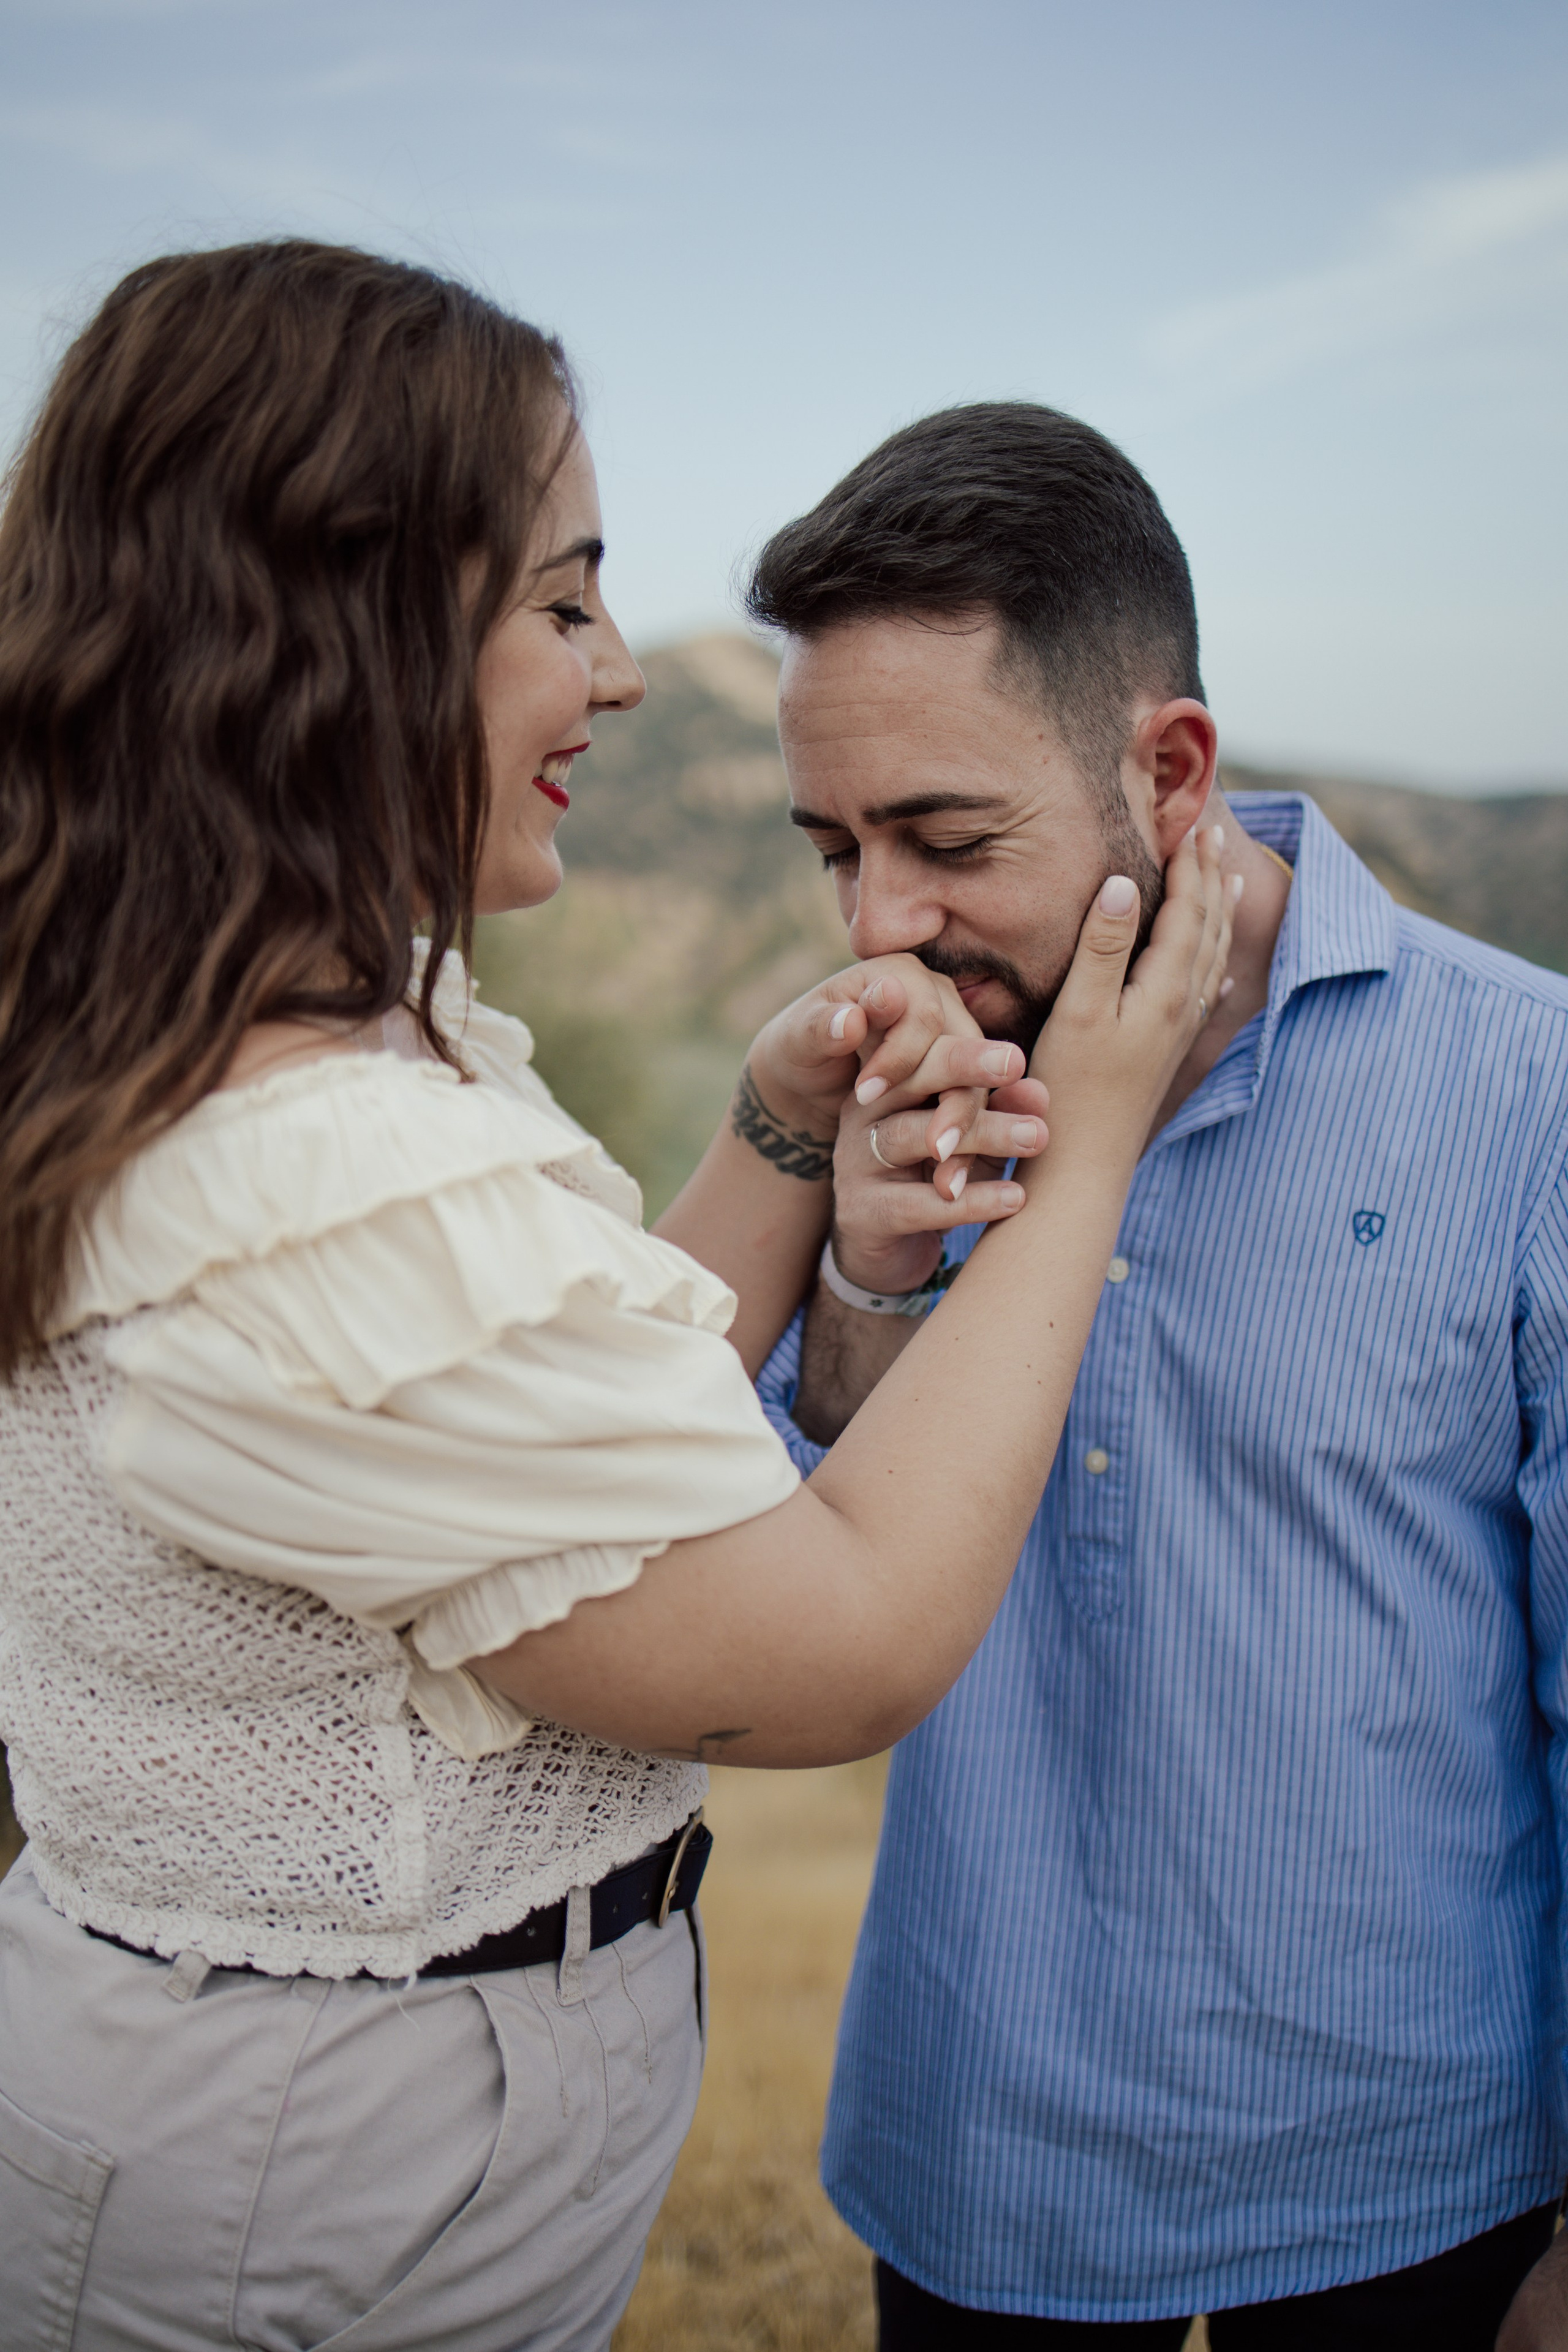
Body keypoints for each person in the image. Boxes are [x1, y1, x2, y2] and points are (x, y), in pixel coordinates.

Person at [0, 249, 1228, 2352]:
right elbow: (831, 1649)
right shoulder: (316, 1163)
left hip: (309, 2135)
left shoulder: (261, 1053)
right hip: (315, 2185)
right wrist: (1089, 1145)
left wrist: (764, 1132)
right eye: (563, 600)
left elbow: (536, 1448)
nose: (619, 670)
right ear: (356, 627)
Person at [745, 402, 1568, 2352]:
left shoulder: (1531, 1095)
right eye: (835, 849)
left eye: (946, 842)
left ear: (1170, 770)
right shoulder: (884, 1094)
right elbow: (788, 1582)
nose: (880, 927)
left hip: (1421, 2189)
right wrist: (861, 1271)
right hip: (976, 2168)